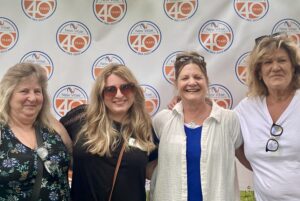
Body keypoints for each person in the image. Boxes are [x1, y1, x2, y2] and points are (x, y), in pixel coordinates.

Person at [151, 51, 242, 201]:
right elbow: (150, 164)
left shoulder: (228, 120)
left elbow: (246, 154)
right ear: (176, 84)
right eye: (185, 78)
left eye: (198, 77)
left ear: (206, 81)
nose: (192, 82)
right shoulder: (162, 121)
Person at [60, 63, 156, 201]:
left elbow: (152, 169)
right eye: (110, 89)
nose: (119, 94)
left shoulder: (144, 128)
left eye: (125, 88)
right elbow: (51, 135)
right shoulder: (81, 117)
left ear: (134, 91)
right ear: (101, 94)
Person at [234, 33, 300, 200]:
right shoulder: (247, 108)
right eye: (268, 62)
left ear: (293, 67)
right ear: (259, 71)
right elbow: (220, 125)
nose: (275, 67)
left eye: (282, 60)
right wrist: (185, 102)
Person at [0, 63, 71, 200]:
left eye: (37, 91)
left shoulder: (54, 127)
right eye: (24, 91)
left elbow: (77, 160)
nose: (32, 98)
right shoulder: (2, 133)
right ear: (8, 95)